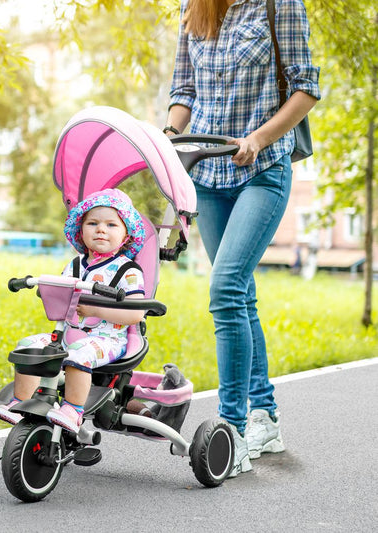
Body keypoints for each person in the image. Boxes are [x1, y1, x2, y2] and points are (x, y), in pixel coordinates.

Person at [164, 0, 320, 476]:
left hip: (261, 170)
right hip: (205, 173)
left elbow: (306, 88)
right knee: (240, 295)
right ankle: (264, 416)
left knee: (226, 287)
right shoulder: (196, 8)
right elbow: (184, 88)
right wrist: (169, 134)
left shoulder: (280, 5)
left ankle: (230, 432)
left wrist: (261, 137)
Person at [0, 189, 146, 433]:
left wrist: (96, 308)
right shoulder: (75, 265)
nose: (101, 230)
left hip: (108, 339)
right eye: (93, 223)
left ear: (126, 235)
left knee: (78, 355)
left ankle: (73, 410)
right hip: (70, 333)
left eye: (111, 224)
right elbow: (61, 291)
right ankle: (21, 401)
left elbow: (135, 313)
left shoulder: (128, 270)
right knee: (28, 345)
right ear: (81, 229)